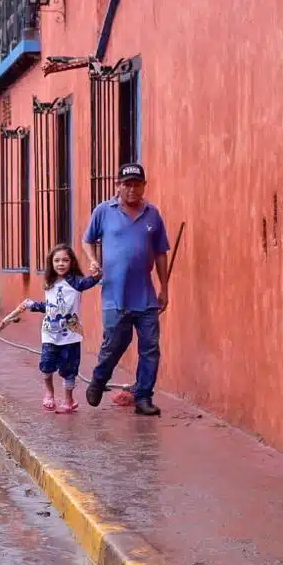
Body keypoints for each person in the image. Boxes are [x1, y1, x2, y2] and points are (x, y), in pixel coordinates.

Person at [81, 163, 170, 416]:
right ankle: (99, 379)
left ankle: (143, 397)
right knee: (115, 343)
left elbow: (161, 253)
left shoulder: (153, 214)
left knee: (150, 347)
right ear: (117, 186)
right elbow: (87, 239)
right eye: (126, 184)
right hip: (114, 294)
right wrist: (93, 260)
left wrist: (164, 288)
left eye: (137, 185)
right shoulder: (103, 211)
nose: (132, 189)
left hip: (145, 295)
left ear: (144, 186)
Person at [20, 243, 101, 414]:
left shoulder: (76, 282)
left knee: (68, 369)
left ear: (71, 262)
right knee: (47, 366)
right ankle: (49, 392)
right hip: (49, 333)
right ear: (51, 263)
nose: (61, 263)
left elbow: (91, 281)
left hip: (71, 334)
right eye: (57, 260)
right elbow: (50, 307)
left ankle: (68, 400)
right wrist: (33, 305)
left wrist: (96, 274)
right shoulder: (49, 283)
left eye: (65, 260)